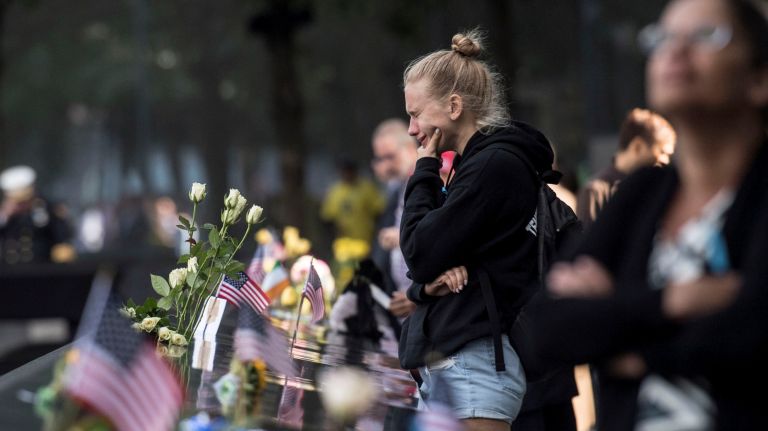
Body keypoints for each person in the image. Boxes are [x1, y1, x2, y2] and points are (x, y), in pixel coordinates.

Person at [526, 0, 768, 429]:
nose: (675, 50)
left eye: (706, 36)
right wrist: (675, 300)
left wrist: (629, 346)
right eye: (662, 37)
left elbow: (752, 332)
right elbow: (549, 327)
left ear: (759, 78)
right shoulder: (643, 192)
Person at [398, 29, 563, 430]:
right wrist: (425, 287)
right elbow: (428, 265)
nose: (411, 129)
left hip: (475, 367)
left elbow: (418, 251)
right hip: (463, 362)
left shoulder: (493, 166)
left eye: (416, 114)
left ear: (454, 106)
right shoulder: (479, 164)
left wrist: (423, 168)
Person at [577, 108, 676, 230]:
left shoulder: (657, 190)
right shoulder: (595, 192)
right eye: (662, 152)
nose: (665, 160)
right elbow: (588, 246)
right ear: (637, 146)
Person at [0, 165, 74, 265]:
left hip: (41, 269)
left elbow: (61, 235)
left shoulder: (46, 209)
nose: (21, 205)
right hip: (9, 271)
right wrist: (5, 215)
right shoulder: (5, 215)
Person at [320, 157, 385, 249]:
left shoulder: (366, 188)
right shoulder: (335, 191)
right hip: (342, 245)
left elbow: (379, 212)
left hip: (366, 243)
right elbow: (328, 218)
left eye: (350, 171)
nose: (347, 174)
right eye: (345, 171)